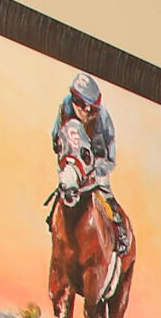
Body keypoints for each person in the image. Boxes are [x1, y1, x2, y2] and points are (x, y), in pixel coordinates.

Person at [50, 72, 133, 266]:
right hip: (73, 163)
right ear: (75, 100)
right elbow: (55, 137)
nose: (87, 113)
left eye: (92, 110)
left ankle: (119, 232)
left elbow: (111, 158)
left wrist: (94, 171)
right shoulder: (64, 107)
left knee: (106, 196)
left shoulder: (103, 119)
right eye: (84, 107)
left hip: (96, 167)